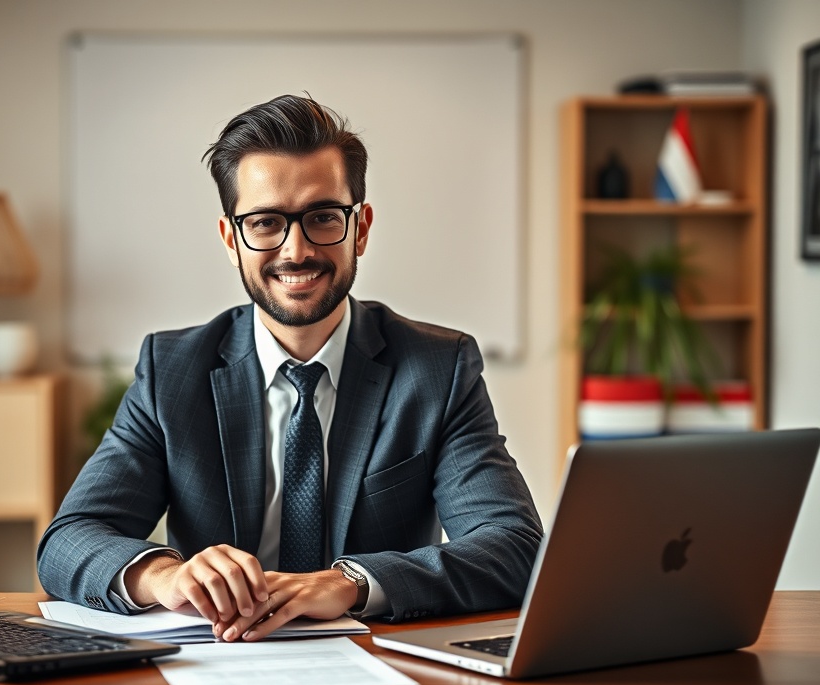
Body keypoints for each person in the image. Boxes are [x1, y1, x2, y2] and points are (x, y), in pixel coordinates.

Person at [37, 94, 543, 642]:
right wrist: (165, 576)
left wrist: (352, 582)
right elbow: (70, 539)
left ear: (362, 228)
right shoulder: (172, 370)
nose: (296, 250)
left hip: (382, 669)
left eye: (323, 217)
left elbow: (513, 545)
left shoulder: (437, 369)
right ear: (233, 239)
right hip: (217, 668)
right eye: (265, 222)